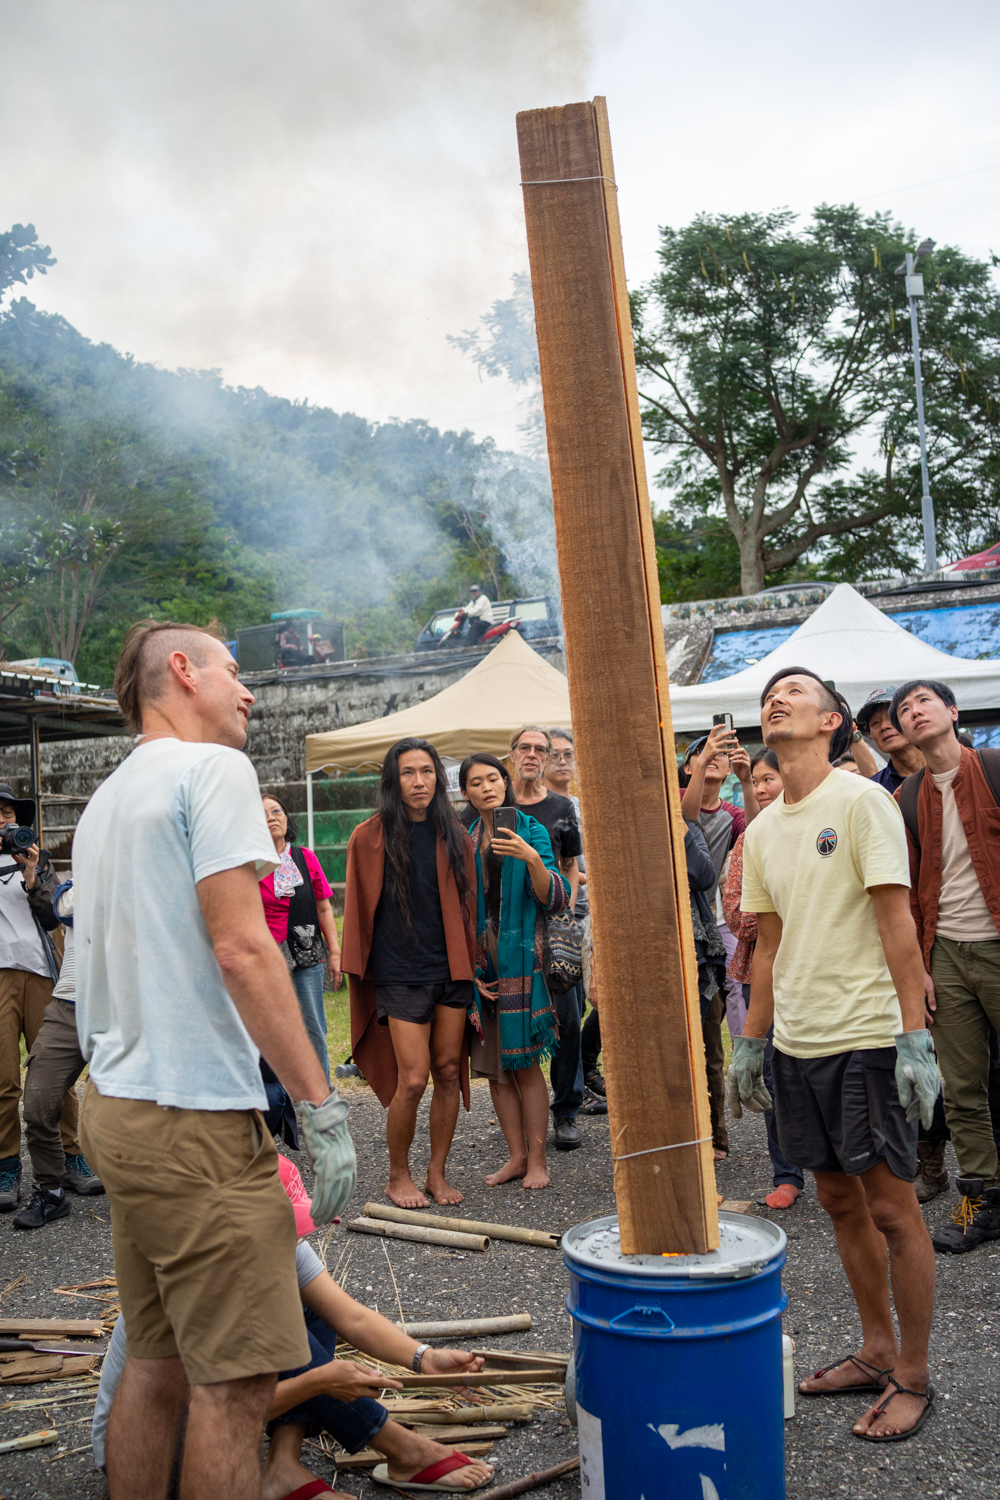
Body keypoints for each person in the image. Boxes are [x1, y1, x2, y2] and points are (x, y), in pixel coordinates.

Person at [74, 620, 356, 1500]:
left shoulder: (106, 798)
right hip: (192, 1120)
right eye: (235, 671)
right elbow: (242, 948)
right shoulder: (213, 770)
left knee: (154, 1362)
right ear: (183, 672)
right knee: (234, 1387)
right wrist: (320, 1102)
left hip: (118, 1105)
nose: (248, 690)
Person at [730, 665, 938, 1442]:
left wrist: (914, 1033)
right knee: (838, 1201)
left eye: (795, 693)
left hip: (866, 1038)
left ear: (830, 722)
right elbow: (770, 944)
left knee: (890, 1206)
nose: (775, 699)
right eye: (767, 696)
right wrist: (751, 1045)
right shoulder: (761, 829)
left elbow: (897, 921)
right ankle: (876, 1349)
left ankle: (913, 1375)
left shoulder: (861, 802)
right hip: (798, 1044)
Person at [92, 1156, 493, 1497]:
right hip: (168, 1453)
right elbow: (212, 1410)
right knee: (270, 1322)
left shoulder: (270, 1245)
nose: (295, 1237)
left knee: (309, 1309)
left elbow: (349, 1316)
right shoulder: (194, 1278)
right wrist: (316, 1382)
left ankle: (282, 1467)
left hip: (222, 1420)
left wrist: (424, 1359)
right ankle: (404, 1450)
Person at [343, 737, 477, 1209]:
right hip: (400, 972)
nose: (419, 781)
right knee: (414, 1078)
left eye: (426, 771)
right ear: (393, 780)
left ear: (438, 777)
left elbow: (468, 906)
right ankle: (397, 1176)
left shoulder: (455, 834)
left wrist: (473, 965)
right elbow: (357, 909)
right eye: (407, 773)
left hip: (451, 970)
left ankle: (436, 1173)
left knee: (446, 1070)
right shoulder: (369, 836)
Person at [891, 678, 1000, 1251]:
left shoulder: (995, 767)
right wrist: (922, 965)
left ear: (952, 712)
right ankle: (981, 1203)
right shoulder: (906, 797)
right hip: (947, 954)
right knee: (960, 1088)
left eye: (923, 701)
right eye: (904, 709)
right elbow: (907, 891)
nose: (913, 712)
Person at [460, 752, 569, 1189]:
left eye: (493, 779)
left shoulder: (532, 831)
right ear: (466, 792)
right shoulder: (464, 839)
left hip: (525, 959)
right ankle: (516, 1157)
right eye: (476, 783)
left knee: (525, 1066)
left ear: (505, 785)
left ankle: (539, 1160)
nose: (487, 788)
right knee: (495, 1070)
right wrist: (469, 969)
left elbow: (553, 897)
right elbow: (460, 908)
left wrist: (531, 858)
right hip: (483, 963)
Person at [0, 783, 93, 1212]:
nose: (3, 821)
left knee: (57, 1077)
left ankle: (71, 1156)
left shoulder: (39, 860)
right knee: (4, 1079)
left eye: (8, 813)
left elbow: (55, 913)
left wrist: (32, 873)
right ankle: (7, 1165)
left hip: (41, 975)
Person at [723, 749, 805, 1209]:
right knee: (773, 1072)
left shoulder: (821, 825)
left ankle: (847, 1166)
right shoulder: (751, 838)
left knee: (828, 1068)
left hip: (821, 971)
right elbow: (738, 914)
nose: (760, 788)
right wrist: (792, 913)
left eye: (768, 778)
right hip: (762, 972)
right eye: (754, 781)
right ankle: (787, 1171)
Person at [507, 725, 584, 1150]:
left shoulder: (561, 808)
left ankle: (567, 1110)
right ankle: (522, 1117)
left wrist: (566, 903)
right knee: (516, 1020)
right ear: (512, 754)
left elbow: (570, 862)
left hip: (554, 927)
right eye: (526, 748)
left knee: (568, 1019)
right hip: (509, 932)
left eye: (542, 749)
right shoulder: (491, 805)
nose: (534, 755)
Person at [14, 875, 105, 1228]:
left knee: (123, 1112)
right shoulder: (80, 887)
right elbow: (63, 908)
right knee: (37, 1104)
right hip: (68, 1007)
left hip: (122, 1014)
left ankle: (142, 1188)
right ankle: (50, 1190)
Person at [680, 723, 759, 1042]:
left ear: (729, 767)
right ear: (687, 767)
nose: (710, 756)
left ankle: (744, 1051)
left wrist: (747, 780)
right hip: (679, 909)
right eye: (699, 752)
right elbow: (685, 817)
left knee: (737, 980)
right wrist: (703, 762)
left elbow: (756, 833)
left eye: (718, 754)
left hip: (713, 914)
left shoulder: (732, 813)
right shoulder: (676, 797)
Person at [543, 727, 605, 1114]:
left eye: (569, 754)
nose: (563, 761)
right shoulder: (535, 808)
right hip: (557, 917)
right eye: (556, 755)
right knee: (568, 1008)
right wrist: (585, 880)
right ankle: (572, 1095)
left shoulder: (583, 805)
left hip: (591, 915)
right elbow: (567, 867)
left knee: (598, 1000)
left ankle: (585, 1074)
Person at [260, 792, 343, 1085]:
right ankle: (280, 1105)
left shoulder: (305, 858)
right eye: (264, 813)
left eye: (277, 811)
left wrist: (334, 952)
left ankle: (322, 1101)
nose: (271, 817)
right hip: (266, 963)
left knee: (313, 1029)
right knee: (271, 1033)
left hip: (307, 957)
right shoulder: (248, 866)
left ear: (286, 818)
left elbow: (323, 907)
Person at [854, 686, 925, 793]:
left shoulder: (948, 768)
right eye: (875, 723)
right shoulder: (876, 789)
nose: (884, 726)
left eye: (891, 717)